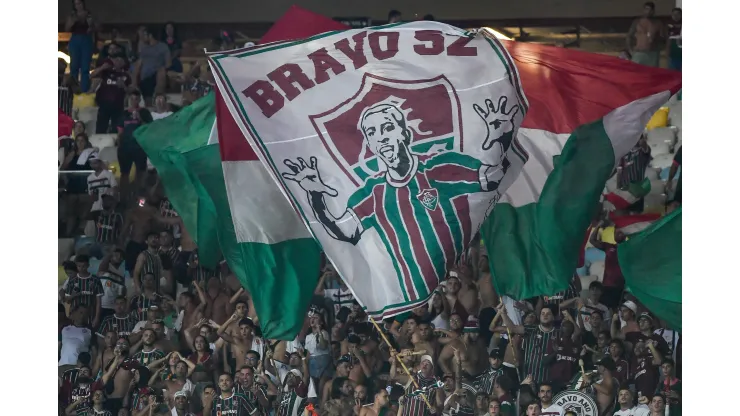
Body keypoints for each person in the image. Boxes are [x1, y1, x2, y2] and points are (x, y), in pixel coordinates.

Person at [282, 96, 519, 302]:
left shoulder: (438, 168)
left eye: (387, 128)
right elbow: (343, 231)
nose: (381, 137)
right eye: (372, 133)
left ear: (405, 133)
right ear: (370, 145)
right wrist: (315, 196)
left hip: (456, 289)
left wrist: (503, 138)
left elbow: (492, 179)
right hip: (408, 297)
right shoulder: (373, 193)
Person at [499, 304, 559, 384]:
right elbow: (513, 328)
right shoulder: (531, 329)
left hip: (548, 380)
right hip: (528, 378)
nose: (545, 316)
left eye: (548, 313)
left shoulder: (558, 333)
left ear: (553, 317)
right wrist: (503, 313)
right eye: (543, 313)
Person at [116, 91, 153, 198]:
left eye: (136, 99)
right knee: (124, 173)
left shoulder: (145, 112)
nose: (133, 101)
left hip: (139, 147)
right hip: (125, 147)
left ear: (139, 100)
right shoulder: (123, 114)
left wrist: (139, 118)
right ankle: (124, 197)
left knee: (140, 172)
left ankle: (138, 197)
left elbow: (149, 128)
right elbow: (120, 132)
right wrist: (119, 145)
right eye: (131, 99)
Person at [92, 53, 132, 133]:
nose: (118, 62)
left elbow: (131, 91)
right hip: (104, 104)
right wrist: (102, 67)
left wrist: (123, 86)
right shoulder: (106, 72)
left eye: (121, 60)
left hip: (118, 105)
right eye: (116, 60)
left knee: (116, 128)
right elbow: (92, 75)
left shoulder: (126, 75)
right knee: (101, 128)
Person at [62, 255, 105, 328]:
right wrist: (75, 295)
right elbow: (66, 299)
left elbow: (99, 301)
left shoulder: (96, 280)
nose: (81, 268)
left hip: (91, 316)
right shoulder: (72, 280)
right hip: (75, 317)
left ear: (88, 265)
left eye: (84, 266)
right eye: (79, 266)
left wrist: (97, 318)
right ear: (76, 266)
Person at [133, 27, 171, 103]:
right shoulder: (143, 48)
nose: (143, 37)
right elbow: (139, 63)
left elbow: (168, 63)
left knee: (161, 72)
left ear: (150, 36)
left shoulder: (163, 47)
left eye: (144, 35)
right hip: (144, 77)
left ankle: (158, 95)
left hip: (157, 75)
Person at [65, 0, 96, 92]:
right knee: (74, 65)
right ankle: (73, 89)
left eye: (80, 3)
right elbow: (67, 29)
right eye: (76, 4)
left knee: (85, 66)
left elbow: (95, 28)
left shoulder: (89, 14)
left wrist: (91, 25)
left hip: (86, 39)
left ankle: (84, 89)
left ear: (83, 4)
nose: (78, 6)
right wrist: (72, 21)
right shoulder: (72, 15)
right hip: (75, 38)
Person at [626, 2, 666, 67]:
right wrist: (630, 50)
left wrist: (655, 42)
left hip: (652, 53)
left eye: (650, 10)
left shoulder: (658, 23)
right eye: (646, 9)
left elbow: (663, 38)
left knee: (652, 75)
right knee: (636, 74)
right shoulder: (637, 22)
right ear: (643, 10)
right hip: (638, 52)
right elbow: (629, 36)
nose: (648, 11)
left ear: (653, 11)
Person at [59, 305, 94, 372]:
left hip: (79, 367)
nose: (82, 315)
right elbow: (58, 346)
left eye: (85, 314)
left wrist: (91, 367)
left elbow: (94, 350)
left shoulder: (90, 331)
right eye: (80, 312)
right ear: (74, 313)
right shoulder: (64, 328)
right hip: (62, 364)